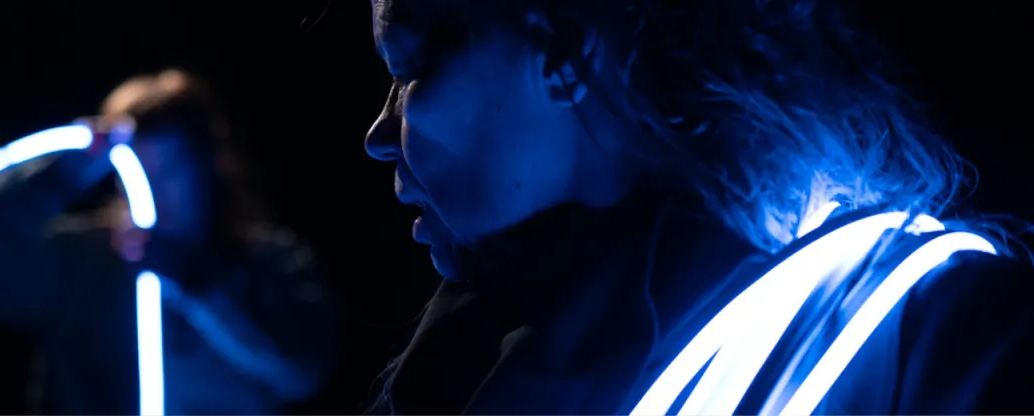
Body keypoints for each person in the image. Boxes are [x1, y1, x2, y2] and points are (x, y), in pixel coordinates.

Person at [360, 0, 1034, 414]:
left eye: (410, 66)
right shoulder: (454, 371)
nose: (379, 136)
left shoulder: (931, 338)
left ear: (563, 45)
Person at [0, 69, 340, 415]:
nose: (154, 191)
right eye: (141, 171)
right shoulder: (81, 259)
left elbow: (303, 371)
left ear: (208, 165)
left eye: (172, 168)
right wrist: (60, 175)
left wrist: (199, 288)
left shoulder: (266, 260)